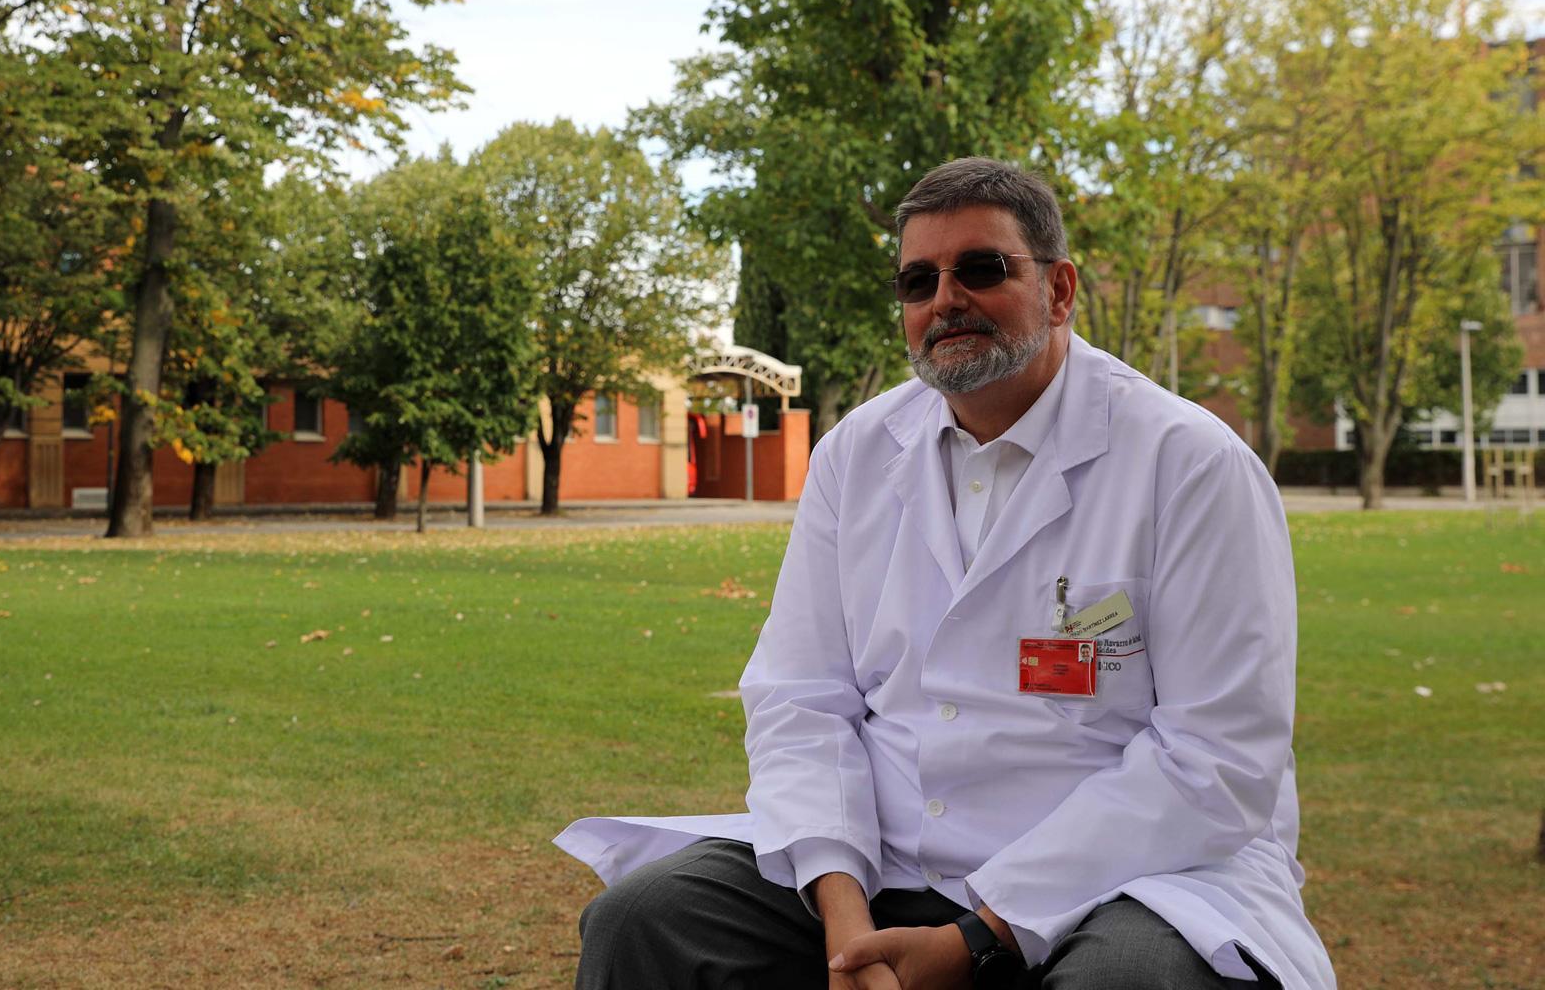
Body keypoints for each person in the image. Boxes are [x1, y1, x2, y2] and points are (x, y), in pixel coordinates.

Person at [556, 157, 1335, 990]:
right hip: (886, 860)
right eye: (917, 280)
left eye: (982, 269)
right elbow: (801, 697)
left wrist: (979, 938)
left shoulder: (1189, 464)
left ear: (1060, 290)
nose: (945, 300)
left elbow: (1218, 758)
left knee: (1128, 981)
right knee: (643, 923)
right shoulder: (856, 455)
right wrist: (845, 923)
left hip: (1132, 877)